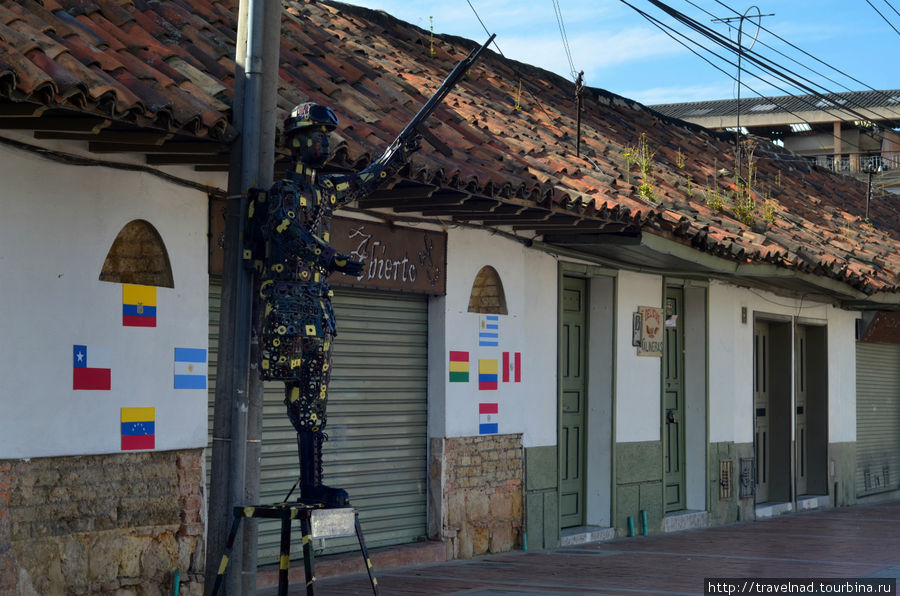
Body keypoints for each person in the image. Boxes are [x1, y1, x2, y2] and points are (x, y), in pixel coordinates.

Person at [248, 102, 419, 507]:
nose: (325, 143)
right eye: (317, 136)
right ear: (297, 143)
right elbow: (286, 230)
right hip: (289, 301)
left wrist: (396, 156)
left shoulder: (325, 190)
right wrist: (332, 258)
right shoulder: (284, 193)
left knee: (315, 396)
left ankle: (313, 483)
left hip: (318, 305)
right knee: (294, 387)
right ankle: (309, 481)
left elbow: (362, 181)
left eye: (327, 136)